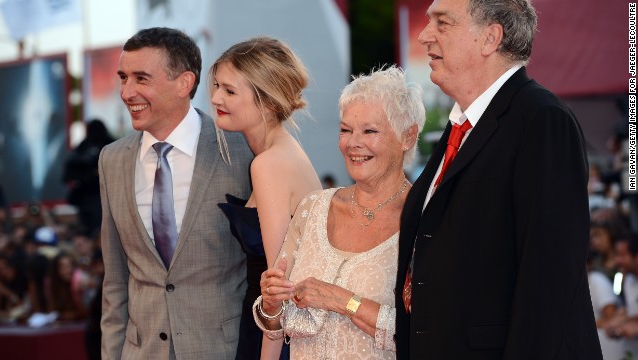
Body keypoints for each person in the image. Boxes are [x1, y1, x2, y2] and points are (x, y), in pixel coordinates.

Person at [395, 0, 602, 358]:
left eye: (442, 23)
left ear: (490, 38)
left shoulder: (541, 120)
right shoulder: (461, 128)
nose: (425, 36)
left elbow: (548, 280)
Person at [99, 27, 253, 360]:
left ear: (184, 83)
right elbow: (115, 282)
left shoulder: (241, 150)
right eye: (123, 78)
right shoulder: (111, 160)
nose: (127, 92)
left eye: (141, 79)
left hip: (221, 350)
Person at [257, 66, 424, 359]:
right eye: (345, 130)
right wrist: (270, 304)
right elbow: (276, 324)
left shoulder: (425, 218)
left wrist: (341, 300)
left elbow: (426, 330)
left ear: (408, 136)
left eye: (369, 131)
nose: (352, 143)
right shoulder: (313, 208)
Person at [211, 37, 322, 360]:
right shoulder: (283, 152)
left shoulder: (268, 164)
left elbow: (278, 289)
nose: (216, 97)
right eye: (217, 86)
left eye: (230, 91)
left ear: (269, 102)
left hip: (273, 337)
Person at [63, 118, 115, 235]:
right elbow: (68, 174)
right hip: (93, 198)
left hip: (104, 197)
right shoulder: (85, 147)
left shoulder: (83, 148)